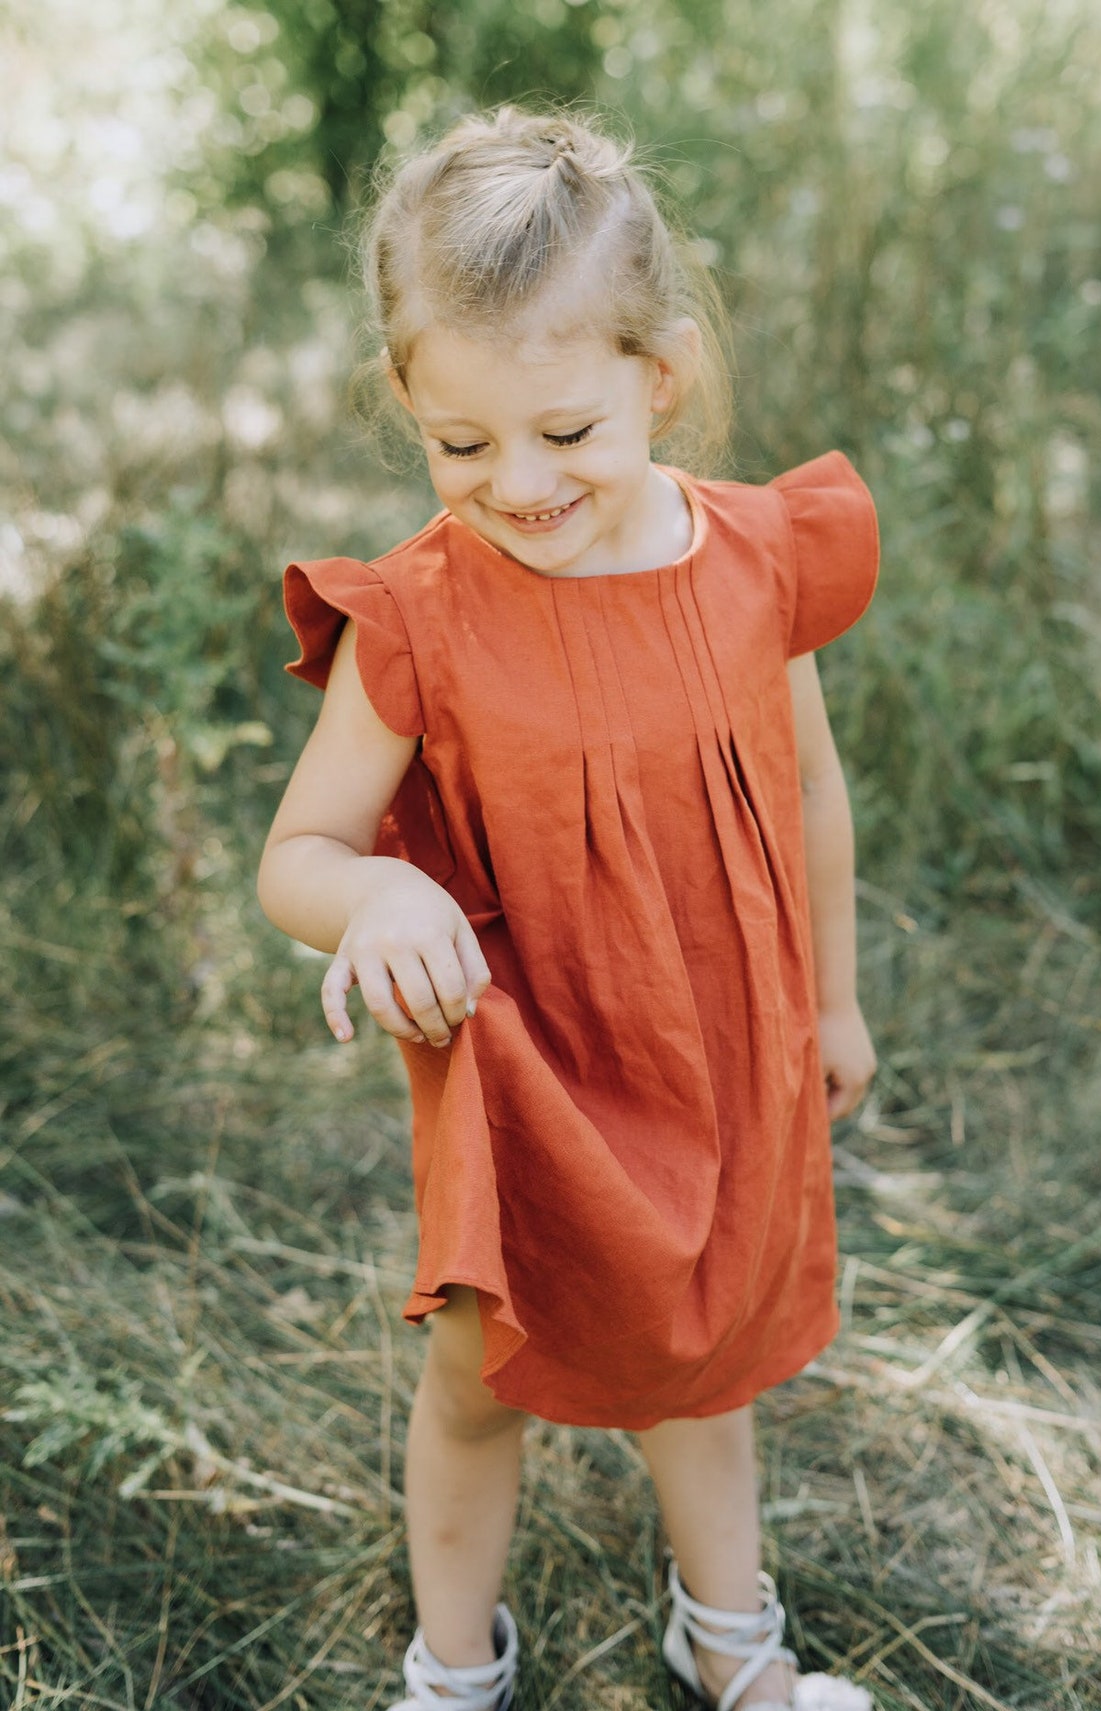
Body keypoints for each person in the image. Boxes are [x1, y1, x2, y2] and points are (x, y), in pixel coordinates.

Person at [258, 106, 878, 1711]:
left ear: (658, 375)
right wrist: (378, 887)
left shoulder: (752, 561)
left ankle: (731, 1644)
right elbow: (299, 852)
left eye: (566, 434)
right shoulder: (419, 618)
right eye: (463, 446)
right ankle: (453, 1667)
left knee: (701, 1344)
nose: (519, 485)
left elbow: (807, 790)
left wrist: (839, 1004)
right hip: (529, 1059)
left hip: (724, 1033)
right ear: (410, 401)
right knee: (483, 1373)